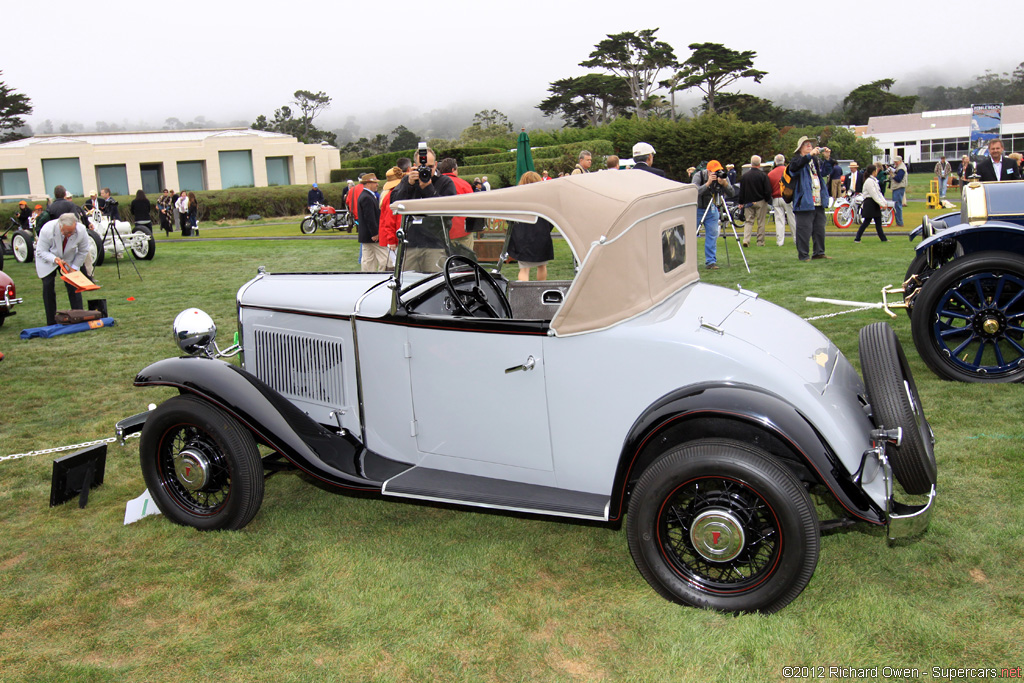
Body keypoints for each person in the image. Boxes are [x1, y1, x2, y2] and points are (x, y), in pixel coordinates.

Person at [389, 146, 457, 272]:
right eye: (422, 167)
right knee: (407, 283)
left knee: (435, 283)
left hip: (435, 244)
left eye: (430, 167)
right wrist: (408, 185)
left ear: (436, 165)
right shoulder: (408, 181)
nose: (426, 170)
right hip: (410, 243)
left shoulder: (445, 182)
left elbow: (448, 211)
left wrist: (428, 188)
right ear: (415, 166)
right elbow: (394, 203)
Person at [34, 213, 90, 326]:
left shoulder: (81, 230)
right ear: (60, 227)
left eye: (72, 232)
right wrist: (55, 259)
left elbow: (83, 250)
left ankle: (78, 317)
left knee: (73, 286)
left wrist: (74, 267)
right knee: (48, 286)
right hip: (47, 259)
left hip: (69, 259)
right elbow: (41, 251)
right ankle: (51, 321)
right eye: (66, 232)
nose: (69, 235)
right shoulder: (47, 229)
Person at [788, 136, 831, 261]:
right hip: (804, 201)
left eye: (810, 144)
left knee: (819, 229)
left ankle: (819, 252)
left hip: (818, 201)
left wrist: (827, 159)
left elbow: (825, 173)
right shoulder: (797, 160)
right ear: (800, 148)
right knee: (804, 230)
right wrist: (809, 156)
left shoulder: (815, 161)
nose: (809, 145)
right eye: (806, 144)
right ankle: (804, 255)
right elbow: (794, 168)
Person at [506, 172, 554, 281]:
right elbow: (551, 220)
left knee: (524, 269)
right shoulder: (545, 199)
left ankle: (524, 295)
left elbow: (509, 219)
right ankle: (540, 291)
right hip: (541, 236)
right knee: (542, 266)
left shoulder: (516, 199)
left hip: (522, 237)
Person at [692, 160, 734, 270]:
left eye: (718, 171)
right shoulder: (699, 175)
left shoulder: (722, 177)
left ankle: (711, 262)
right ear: (708, 171)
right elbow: (693, 192)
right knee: (691, 235)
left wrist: (724, 184)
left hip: (712, 208)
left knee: (712, 235)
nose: (717, 174)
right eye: (714, 172)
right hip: (697, 209)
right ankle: (688, 262)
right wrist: (708, 184)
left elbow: (732, 193)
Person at [438, 157, 477, 255]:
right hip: (463, 229)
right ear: (453, 169)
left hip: (442, 230)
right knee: (466, 261)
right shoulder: (464, 184)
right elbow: (473, 206)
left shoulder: (436, 184)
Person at [737, 155, 773, 247]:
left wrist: (741, 202)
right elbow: (767, 190)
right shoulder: (763, 176)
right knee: (761, 222)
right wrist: (767, 199)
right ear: (759, 164)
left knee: (749, 221)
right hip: (761, 200)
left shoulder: (745, 176)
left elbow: (742, 190)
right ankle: (760, 242)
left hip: (748, 201)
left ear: (751, 163)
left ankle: (746, 239)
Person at [355, 174, 386, 271]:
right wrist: (375, 233)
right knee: (385, 259)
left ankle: (367, 278)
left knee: (368, 260)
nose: (377, 185)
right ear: (368, 183)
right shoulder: (367, 197)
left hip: (366, 236)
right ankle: (382, 277)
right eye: (375, 182)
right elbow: (369, 217)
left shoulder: (366, 196)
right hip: (372, 236)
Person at [853, 163, 889, 243]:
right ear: (873, 171)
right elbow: (874, 194)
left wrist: (884, 202)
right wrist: (882, 204)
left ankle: (883, 239)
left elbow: (879, 193)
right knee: (866, 222)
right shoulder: (869, 181)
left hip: (874, 203)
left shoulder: (874, 181)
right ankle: (857, 238)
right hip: (869, 203)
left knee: (878, 222)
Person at [767, 154, 796, 246]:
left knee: (779, 220)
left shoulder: (770, 174)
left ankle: (780, 241)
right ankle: (796, 239)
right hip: (788, 197)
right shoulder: (788, 170)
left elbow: (769, 187)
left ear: (775, 162)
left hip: (776, 198)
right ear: (783, 161)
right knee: (792, 219)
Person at [890, 157, 909, 226]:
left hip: (898, 188)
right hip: (897, 188)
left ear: (900, 161)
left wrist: (892, 174)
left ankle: (900, 222)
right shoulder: (900, 167)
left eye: (896, 162)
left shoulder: (901, 169)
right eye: (894, 162)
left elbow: (898, 179)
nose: (895, 163)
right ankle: (898, 222)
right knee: (897, 205)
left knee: (897, 205)